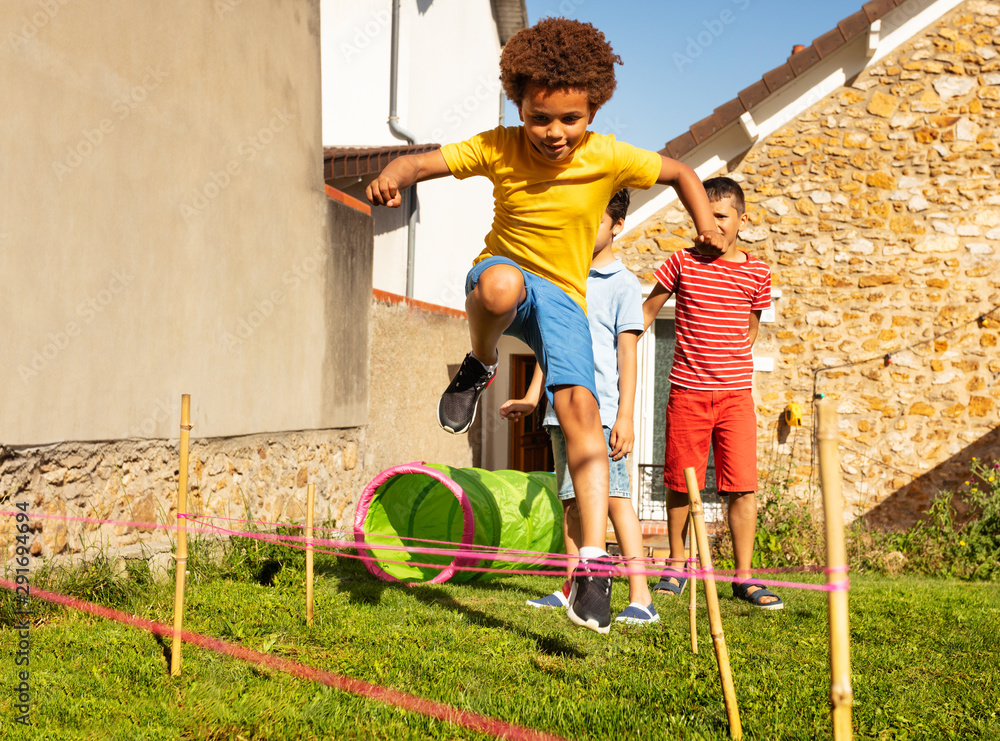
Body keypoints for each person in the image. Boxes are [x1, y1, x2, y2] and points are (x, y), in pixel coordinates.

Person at [367, 17, 726, 634]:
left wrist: (705, 224)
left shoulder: (610, 155)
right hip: (505, 273)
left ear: (593, 109)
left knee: (581, 410)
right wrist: (392, 176)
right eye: (540, 118)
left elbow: (681, 174)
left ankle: (590, 566)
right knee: (500, 286)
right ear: (520, 106)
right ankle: (478, 363)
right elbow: (425, 163)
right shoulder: (500, 145)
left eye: (570, 119)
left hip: (564, 297)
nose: (554, 133)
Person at [500, 189, 657, 625]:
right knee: (571, 501)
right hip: (559, 410)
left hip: (603, 414)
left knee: (615, 500)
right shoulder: (563, 278)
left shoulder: (623, 284)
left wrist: (625, 414)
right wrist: (534, 396)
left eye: (597, 222)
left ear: (617, 227)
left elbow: (628, 354)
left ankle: (641, 597)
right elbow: (554, 347)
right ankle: (574, 587)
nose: (586, 230)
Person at [641, 176, 783, 610]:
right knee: (681, 482)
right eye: (705, 215)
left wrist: (726, 370)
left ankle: (743, 578)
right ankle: (678, 564)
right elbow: (646, 314)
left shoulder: (757, 272)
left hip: (735, 396)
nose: (712, 224)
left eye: (721, 216)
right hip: (687, 393)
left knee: (742, 485)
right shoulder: (680, 262)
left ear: (742, 219)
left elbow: (750, 331)